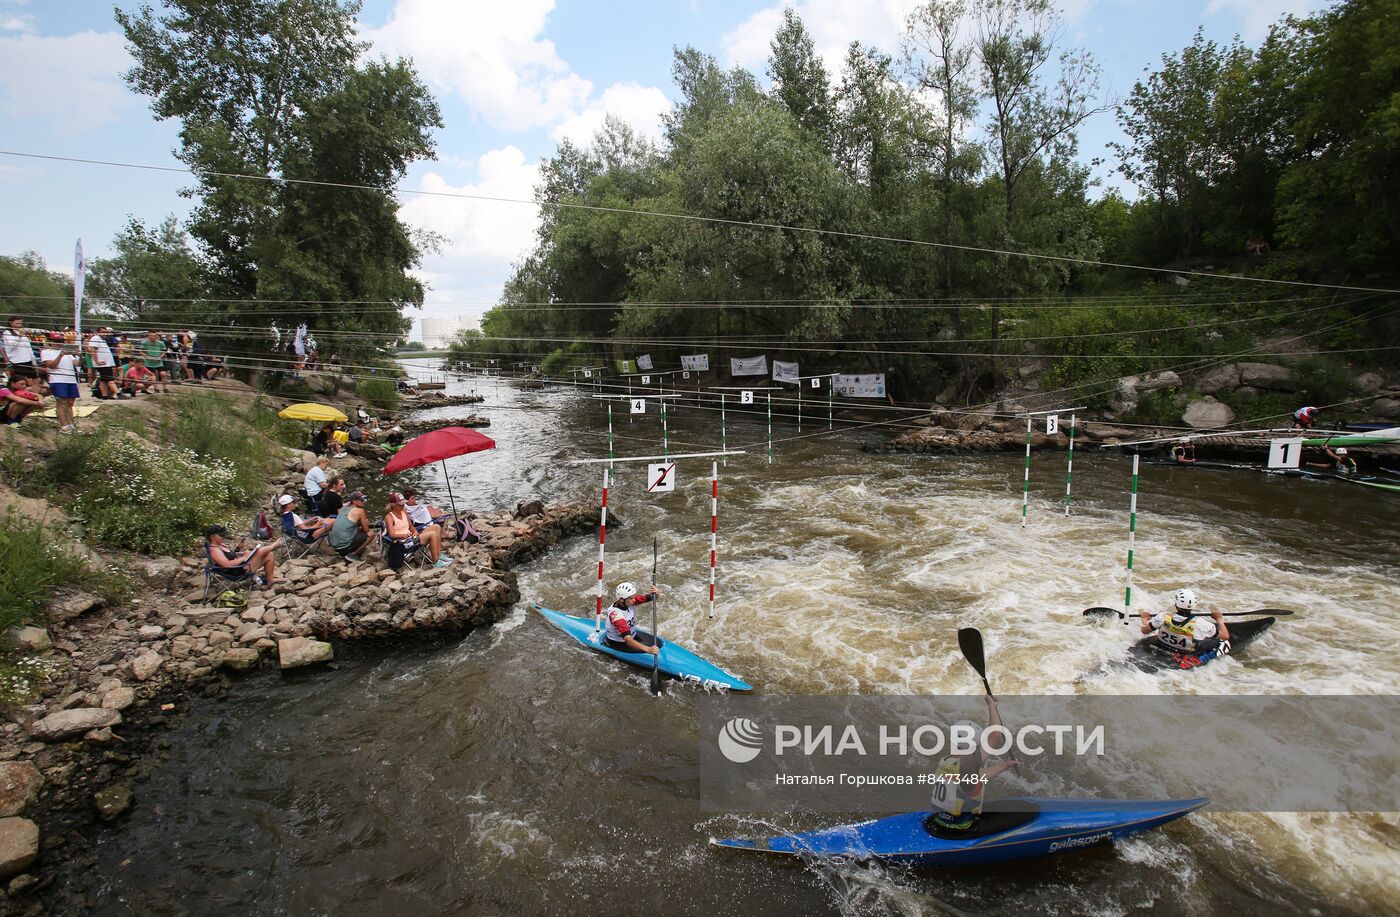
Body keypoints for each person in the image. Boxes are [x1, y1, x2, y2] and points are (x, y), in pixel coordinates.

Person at [926, 694, 1020, 833]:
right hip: (961, 829)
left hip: (938, 821)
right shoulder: (969, 769)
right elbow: (995, 737)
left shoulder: (945, 762)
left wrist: (1004, 766)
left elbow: (979, 770)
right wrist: (992, 706)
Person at [1139, 588, 1229, 655]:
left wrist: (1144, 619)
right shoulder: (1201, 624)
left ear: (1176, 604)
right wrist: (1219, 620)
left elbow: (1144, 631)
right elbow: (1225, 636)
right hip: (1186, 652)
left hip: (1163, 646)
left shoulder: (1163, 616)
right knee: (1220, 641)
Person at [385, 492, 450, 568]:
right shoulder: (389, 517)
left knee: (436, 527)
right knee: (432, 534)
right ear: (393, 505)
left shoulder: (403, 513)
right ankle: (436, 562)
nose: (403, 506)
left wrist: (415, 531)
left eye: (403, 504)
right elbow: (392, 535)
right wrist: (403, 535)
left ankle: (439, 555)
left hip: (411, 538)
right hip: (403, 543)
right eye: (400, 505)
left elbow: (411, 527)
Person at [204, 524, 284, 584]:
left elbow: (230, 556)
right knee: (259, 552)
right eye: (221, 535)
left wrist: (239, 551)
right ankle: (274, 545)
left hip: (239, 566)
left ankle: (270, 579)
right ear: (212, 537)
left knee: (269, 555)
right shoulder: (214, 550)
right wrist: (244, 557)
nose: (223, 537)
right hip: (236, 572)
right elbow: (226, 564)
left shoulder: (221, 545)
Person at [602, 581, 663, 655]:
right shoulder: (617, 616)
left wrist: (656, 593)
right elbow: (628, 640)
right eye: (631, 598)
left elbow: (652, 597)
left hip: (633, 636)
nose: (634, 600)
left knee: (657, 644)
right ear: (621, 600)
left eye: (634, 597)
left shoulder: (628, 601)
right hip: (620, 643)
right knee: (648, 647)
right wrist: (648, 649)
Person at [40, 332, 81, 433]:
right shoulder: (46, 352)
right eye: (56, 341)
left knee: (70, 403)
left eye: (60, 341)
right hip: (58, 380)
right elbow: (51, 366)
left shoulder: (69, 353)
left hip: (71, 380)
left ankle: (71, 425)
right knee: (61, 403)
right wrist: (60, 355)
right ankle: (64, 426)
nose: (58, 344)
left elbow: (77, 363)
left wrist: (81, 356)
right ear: (50, 342)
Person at [328, 491, 371, 558]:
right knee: (371, 534)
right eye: (361, 500)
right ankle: (354, 554)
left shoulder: (343, 508)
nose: (364, 501)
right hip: (344, 547)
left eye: (364, 499)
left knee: (356, 528)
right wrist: (365, 523)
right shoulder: (360, 511)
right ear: (354, 501)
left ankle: (350, 551)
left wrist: (359, 524)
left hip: (335, 546)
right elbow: (366, 530)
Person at [2, 317, 40, 386]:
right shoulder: (7, 332)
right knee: (22, 382)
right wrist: (19, 336)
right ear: (11, 323)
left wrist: (33, 360)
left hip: (28, 360)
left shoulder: (22, 331)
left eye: (21, 323)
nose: (19, 325)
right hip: (18, 361)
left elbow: (28, 347)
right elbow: (12, 345)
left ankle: (35, 395)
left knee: (36, 379)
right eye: (17, 323)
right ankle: (24, 395)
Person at [88, 328, 118, 399]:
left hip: (106, 363)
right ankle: (118, 393)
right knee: (110, 379)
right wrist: (97, 361)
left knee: (103, 380)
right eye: (103, 332)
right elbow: (92, 350)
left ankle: (105, 395)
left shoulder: (103, 340)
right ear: (98, 332)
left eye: (106, 332)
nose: (105, 333)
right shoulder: (95, 338)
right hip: (102, 364)